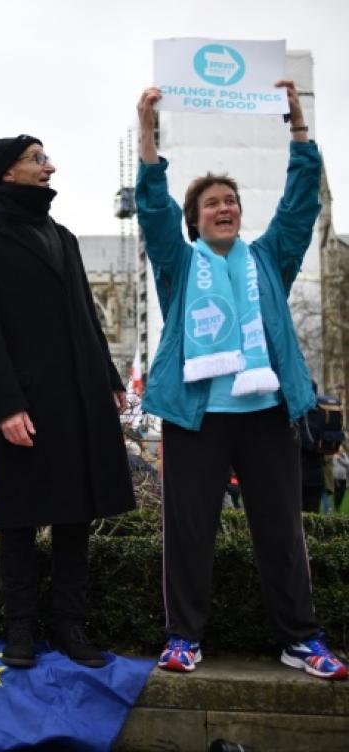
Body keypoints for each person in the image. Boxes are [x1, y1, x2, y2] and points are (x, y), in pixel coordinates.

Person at [136, 83, 346, 680]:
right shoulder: (178, 263)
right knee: (190, 533)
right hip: (197, 418)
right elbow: (152, 209)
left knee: (281, 530)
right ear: (195, 220)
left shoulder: (269, 259)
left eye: (230, 200)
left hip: (265, 415)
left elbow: (301, 206)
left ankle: (300, 639)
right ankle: (183, 638)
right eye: (211, 203)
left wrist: (299, 130)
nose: (224, 207)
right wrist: (147, 132)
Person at [0, 133, 136, 669]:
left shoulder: (65, 238)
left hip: (79, 398)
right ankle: (20, 629)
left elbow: (87, 316)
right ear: (9, 172)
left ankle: (70, 625)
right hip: (25, 406)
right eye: (38, 159)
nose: (50, 166)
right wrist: (7, 406)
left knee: (76, 516)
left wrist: (110, 378)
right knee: (20, 519)